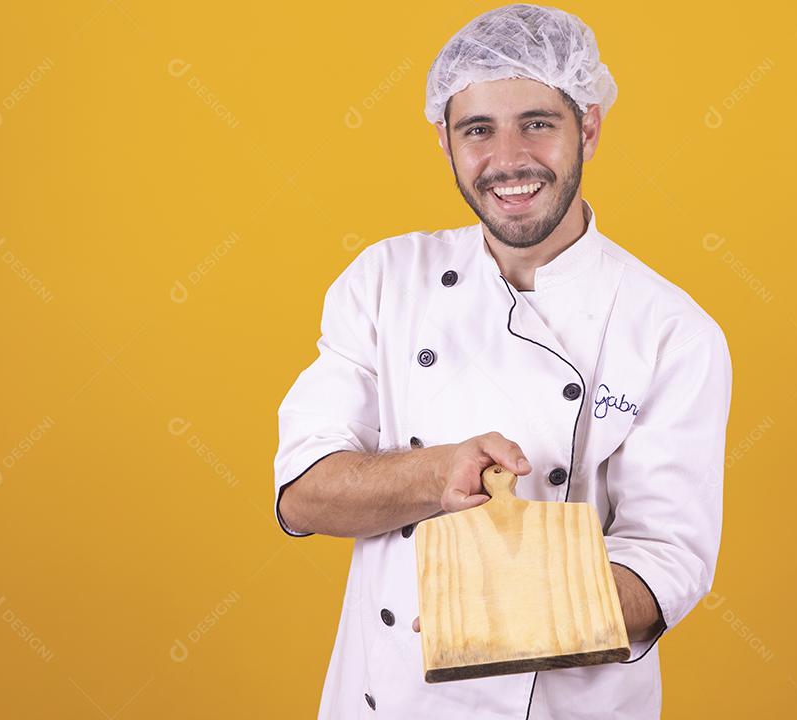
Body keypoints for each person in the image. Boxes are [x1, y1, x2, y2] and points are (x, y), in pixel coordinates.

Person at [273, 4, 733, 717]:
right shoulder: (386, 280)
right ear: (444, 140)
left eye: (538, 123)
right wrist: (436, 472)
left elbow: (667, 561)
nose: (509, 158)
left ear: (589, 126)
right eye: (478, 129)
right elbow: (303, 493)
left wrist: (518, 612)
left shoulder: (670, 330)